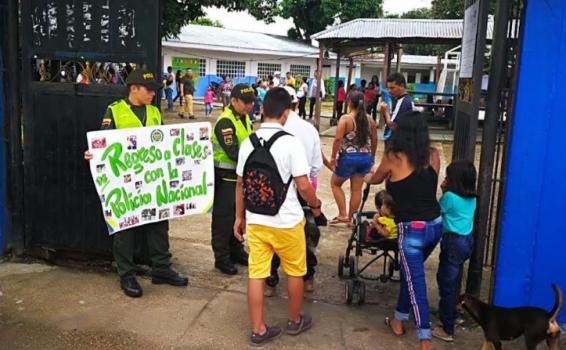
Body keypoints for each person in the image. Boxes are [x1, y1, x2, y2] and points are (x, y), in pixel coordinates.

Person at [83, 69, 188, 298]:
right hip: (125, 184)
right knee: (125, 228)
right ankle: (126, 274)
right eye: (149, 89)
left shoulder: (153, 112)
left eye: (154, 90)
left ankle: (161, 268)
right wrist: (95, 154)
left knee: (159, 223)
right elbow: (104, 142)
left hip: (152, 180)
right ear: (133, 88)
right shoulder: (115, 111)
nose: (153, 93)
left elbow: (165, 143)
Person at [234, 87, 322, 346]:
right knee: (295, 272)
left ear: (262, 110)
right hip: (288, 221)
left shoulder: (247, 142)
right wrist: (316, 205)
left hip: (257, 220)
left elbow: (240, 184)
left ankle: (258, 329)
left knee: (257, 274)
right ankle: (295, 321)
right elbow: (304, 186)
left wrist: (239, 218)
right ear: (287, 113)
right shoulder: (291, 142)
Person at [365, 111, 442, 350]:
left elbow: (376, 178)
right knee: (411, 276)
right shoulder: (434, 155)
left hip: (412, 229)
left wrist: (366, 176)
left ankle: (425, 340)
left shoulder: (393, 157)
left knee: (416, 282)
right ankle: (398, 321)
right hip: (435, 225)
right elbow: (426, 187)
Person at [265, 86, 324, 296]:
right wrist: (314, 202)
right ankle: (307, 278)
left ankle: (270, 280)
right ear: (295, 104)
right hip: (301, 191)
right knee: (303, 235)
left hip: (270, 192)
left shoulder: (261, 133)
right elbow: (316, 167)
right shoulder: (309, 130)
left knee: (270, 235)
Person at [211, 84, 255, 275]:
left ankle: (236, 250)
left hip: (239, 177)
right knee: (223, 219)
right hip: (225, 177)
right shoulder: (225, 122)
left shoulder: (244, 118)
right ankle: (221, 258)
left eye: (252, 102)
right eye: (245, 103)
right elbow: (233, 152)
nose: (249, 106)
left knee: (239, 216)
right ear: (234, 101)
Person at [433, 160, 477, 343]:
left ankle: (447, 328)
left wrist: (443, 192)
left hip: (453, 242)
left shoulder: (450, 197)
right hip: (467, 242)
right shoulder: (472, 198)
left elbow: (436, 211)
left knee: (446, 284)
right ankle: (453, 313)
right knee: (453, 279)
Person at [329, 91, 377, 225]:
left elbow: (338, 139)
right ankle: (352, 219)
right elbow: (374, 139)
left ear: (349, 102)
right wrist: (372, 156)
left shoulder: (346, 119)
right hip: (364, 158)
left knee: (335, 184)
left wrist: (333, 157)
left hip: (348, 158)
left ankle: (343, 214)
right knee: (356, 189)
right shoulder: (370, 120)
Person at [379, 72, 415, 141]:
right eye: (388, 88)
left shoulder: (403, 102)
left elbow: (392, 126)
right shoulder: (400, 100)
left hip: (398, 144)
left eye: (392, 88)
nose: (389, 91)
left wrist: (385, 112)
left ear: (401, 86)